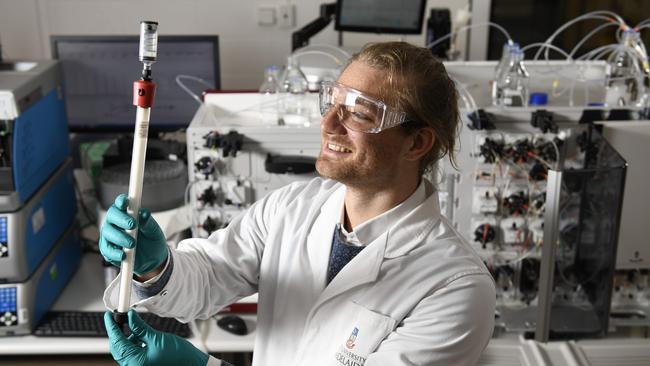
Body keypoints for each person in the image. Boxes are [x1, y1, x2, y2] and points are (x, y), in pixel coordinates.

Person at [100, 41, 496, 366]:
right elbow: (210, 274)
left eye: (358, 113)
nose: (328, 124)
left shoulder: (456, 288)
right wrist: (155, 267)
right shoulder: (291, 208)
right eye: (332, 102)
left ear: (417, 142)